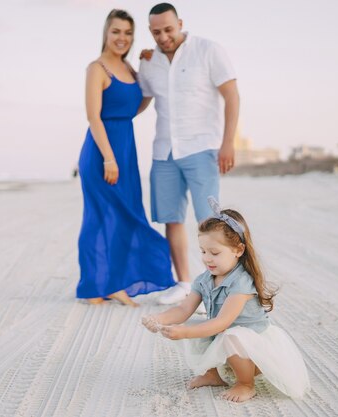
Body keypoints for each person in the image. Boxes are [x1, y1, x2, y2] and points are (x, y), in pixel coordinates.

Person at [142, 197, 311, 402]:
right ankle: (212, 375)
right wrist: (159, 319)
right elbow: (183, 309)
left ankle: (246, 383)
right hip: (224, 337)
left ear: (238, 250)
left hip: (252, 348)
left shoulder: (241, 282)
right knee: (193, 324)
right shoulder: (204, 280)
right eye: (203, 251)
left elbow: (222, 323)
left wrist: (185, 333)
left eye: (215, 252)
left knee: (228, 335)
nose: (207, 258)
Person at [138, 3, 240, 305]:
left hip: (201, 146)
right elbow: (141, 100)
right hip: (164, 150)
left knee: (210, 220)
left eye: (169, 29)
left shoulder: (208, 50)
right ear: (150, 31)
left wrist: (228, 142)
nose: (164, 36)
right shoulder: (149, 61)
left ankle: (222, 284)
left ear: (180, 23)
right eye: (157, 32)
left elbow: (232, 95)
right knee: (171, 219)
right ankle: (183, 283)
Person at [76, 9, 176, 307]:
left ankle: (115, 284)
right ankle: (93, 287)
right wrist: (108, 158)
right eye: (116, 31)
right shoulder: (97, 68)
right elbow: (94, 117)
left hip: (126, 152)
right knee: (99, 219)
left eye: (128, 33)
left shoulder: (130, 69)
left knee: (125, 218)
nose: (122, 38)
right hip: (101, 152)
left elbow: (135, 106)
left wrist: (148, 66)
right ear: (106, 33)